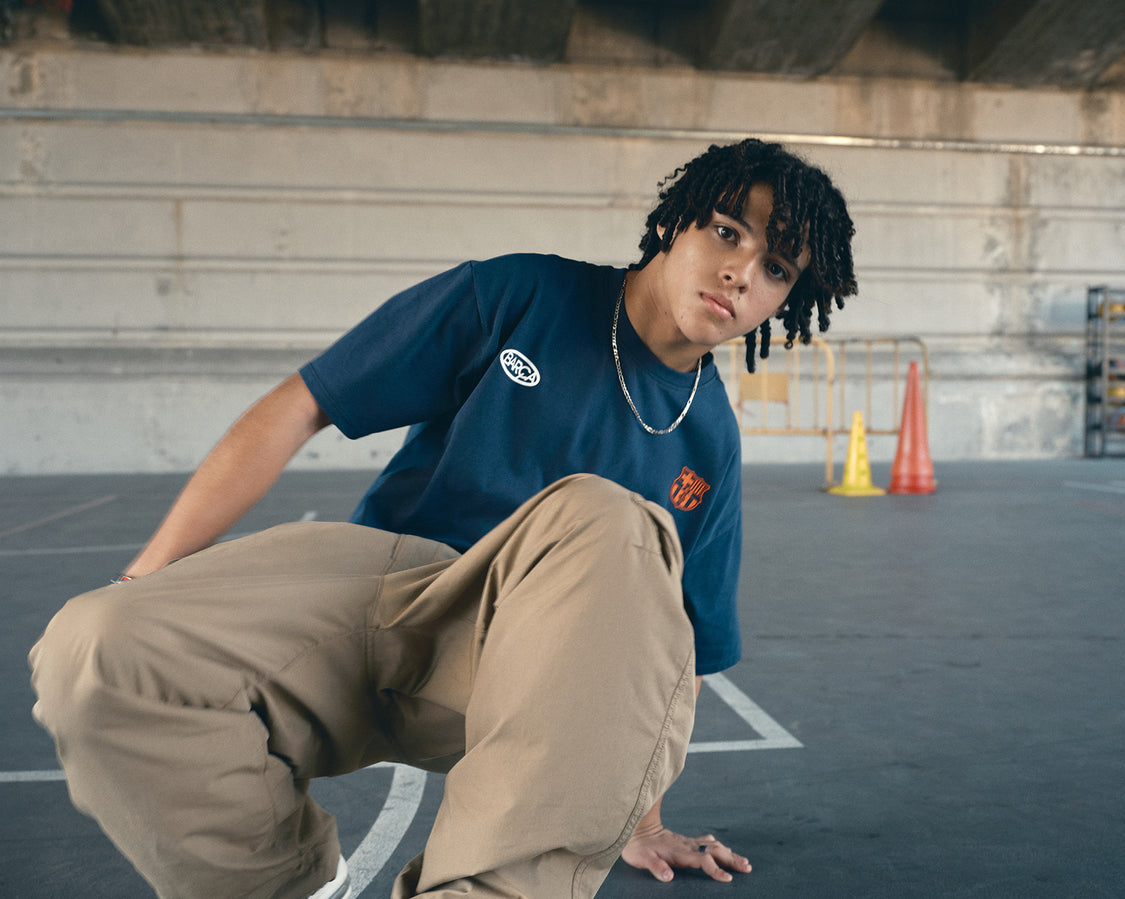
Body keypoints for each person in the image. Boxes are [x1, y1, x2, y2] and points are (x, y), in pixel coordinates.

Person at [29, 138, 857, 899]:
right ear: (677, 222)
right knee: (99, 644)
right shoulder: (520, 293)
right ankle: (285, 884)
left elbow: (672, 657)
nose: (743, 272)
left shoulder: (709, 443)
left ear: (785, 301)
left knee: (611, 522)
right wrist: (149, 578)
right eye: (727, 231)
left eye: (777, 267)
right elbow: (304, 402)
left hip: (517, 672)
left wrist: (635, 820)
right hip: (386, 589)